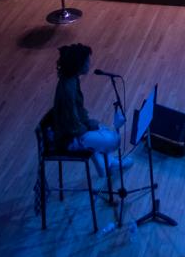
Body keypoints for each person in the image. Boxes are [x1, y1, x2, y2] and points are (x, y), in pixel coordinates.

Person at [51, 43, 132, 180]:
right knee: (113, 139)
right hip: (68, 139)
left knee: (101, 128)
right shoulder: (67, 89)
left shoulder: (72, 80)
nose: (90, 63)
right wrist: (88, 127)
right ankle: (107, 166)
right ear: (79, 64)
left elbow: (78, 112)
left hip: (73, 131)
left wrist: (89, 123)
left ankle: (108, 165)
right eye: (87, 61)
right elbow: (72, 125)